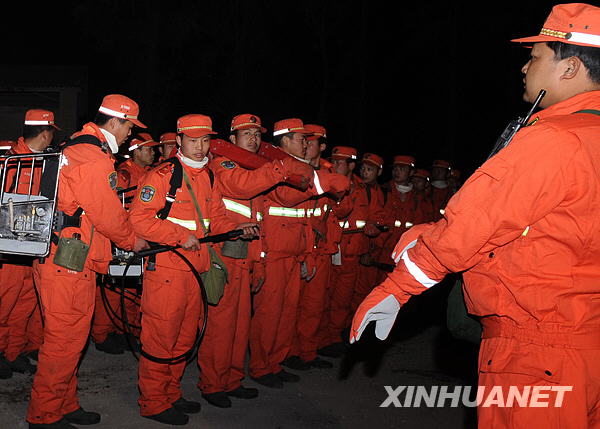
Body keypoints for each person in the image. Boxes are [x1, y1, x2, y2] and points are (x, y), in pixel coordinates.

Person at [351, 4, 600, 427]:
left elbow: (472, 227)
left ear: (570, 67)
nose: (524, 68)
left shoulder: (553, 141)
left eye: (536, 57)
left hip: (535, 349)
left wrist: (396, 288)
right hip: (585, 344)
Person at [27, 94, 149, 429]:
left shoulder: (76, 145)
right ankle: (44, 414)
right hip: (67, 263)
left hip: (66, 257)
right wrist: (130, 239)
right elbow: (107, 214)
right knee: (63, 341)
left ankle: (65, 404)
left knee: (71, 340)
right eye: (129, 127)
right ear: (115, 121)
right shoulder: (93, 156)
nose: (130, 135)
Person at [129, 113, 258, 425]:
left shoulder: (208, 176)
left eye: (204, 140)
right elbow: (139, 219)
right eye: (193, 140)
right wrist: (177, 235)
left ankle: (171, 393)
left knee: (186, 337)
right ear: (179, 140)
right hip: (168, 271)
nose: (200, 147)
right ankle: (153, 401)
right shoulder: (163, 175)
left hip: (196, 269)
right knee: (161, 336)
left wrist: (238, 228)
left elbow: (216, 218)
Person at [198, 113, 313, 407]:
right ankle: (212, 384)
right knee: (221, 325)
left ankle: (232, 379)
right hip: (224, 257)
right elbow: (241, 186)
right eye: (246, 134)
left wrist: (260, 261)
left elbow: (259, 220)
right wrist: (280, 167)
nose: (254, 138)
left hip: (247, 258)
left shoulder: (256, 169)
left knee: (239, 325)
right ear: (233, 139)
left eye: (257, 134)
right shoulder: (223, 164)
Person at [249, 119, 349, 387]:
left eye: (307, 139)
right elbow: (287, 197)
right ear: (284, 141)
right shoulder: (273, 165)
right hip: (273, 252)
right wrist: (328, 180)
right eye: (300, 138)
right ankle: (260, 366)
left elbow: (309, 220)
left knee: (287, 312)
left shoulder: (304, 168)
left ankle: (275, 362)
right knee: (269, 313)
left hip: (295, 252)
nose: (306, 142)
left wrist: (307, 254)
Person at [0, 110, 59, 379]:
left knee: (24, 303)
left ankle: (13, 352)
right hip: (8, 250)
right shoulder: (10, 161)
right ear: (46, 133)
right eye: (52, 133)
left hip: (30, 247)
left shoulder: (44, 162)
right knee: (4, 303)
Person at [91, 132, 158, 355]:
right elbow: (113, 207)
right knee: (113, 288)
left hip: (141, 237)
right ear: (136, 151)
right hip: (123, 237)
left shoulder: (151, 173)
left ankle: (123, 329)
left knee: (132, 288)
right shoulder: (124, 174)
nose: (153, 152)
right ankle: (101, 334)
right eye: (148, 149)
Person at [317, 146, 379, 358]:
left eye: (340, 162)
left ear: (351, 165)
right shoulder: (327, 183)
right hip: (332, 249)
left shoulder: (365, 190)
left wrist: (371, 234)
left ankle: (334, 337)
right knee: (324, 296)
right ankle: (321, 338)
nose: (335, 165)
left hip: (352, 253)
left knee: (343, 300)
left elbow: (372, 217)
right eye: (333, 161)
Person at [286, 124, 339, 370]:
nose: (307, 145)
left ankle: (307, 351)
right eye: (303, 140)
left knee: (314, 304)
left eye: (312, 141)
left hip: (320, 246)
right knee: (292, 304)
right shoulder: (295, 170)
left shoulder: (330, 172)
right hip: (298, 244)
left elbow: (339, 208)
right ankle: (291, 352)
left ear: (322, 146)